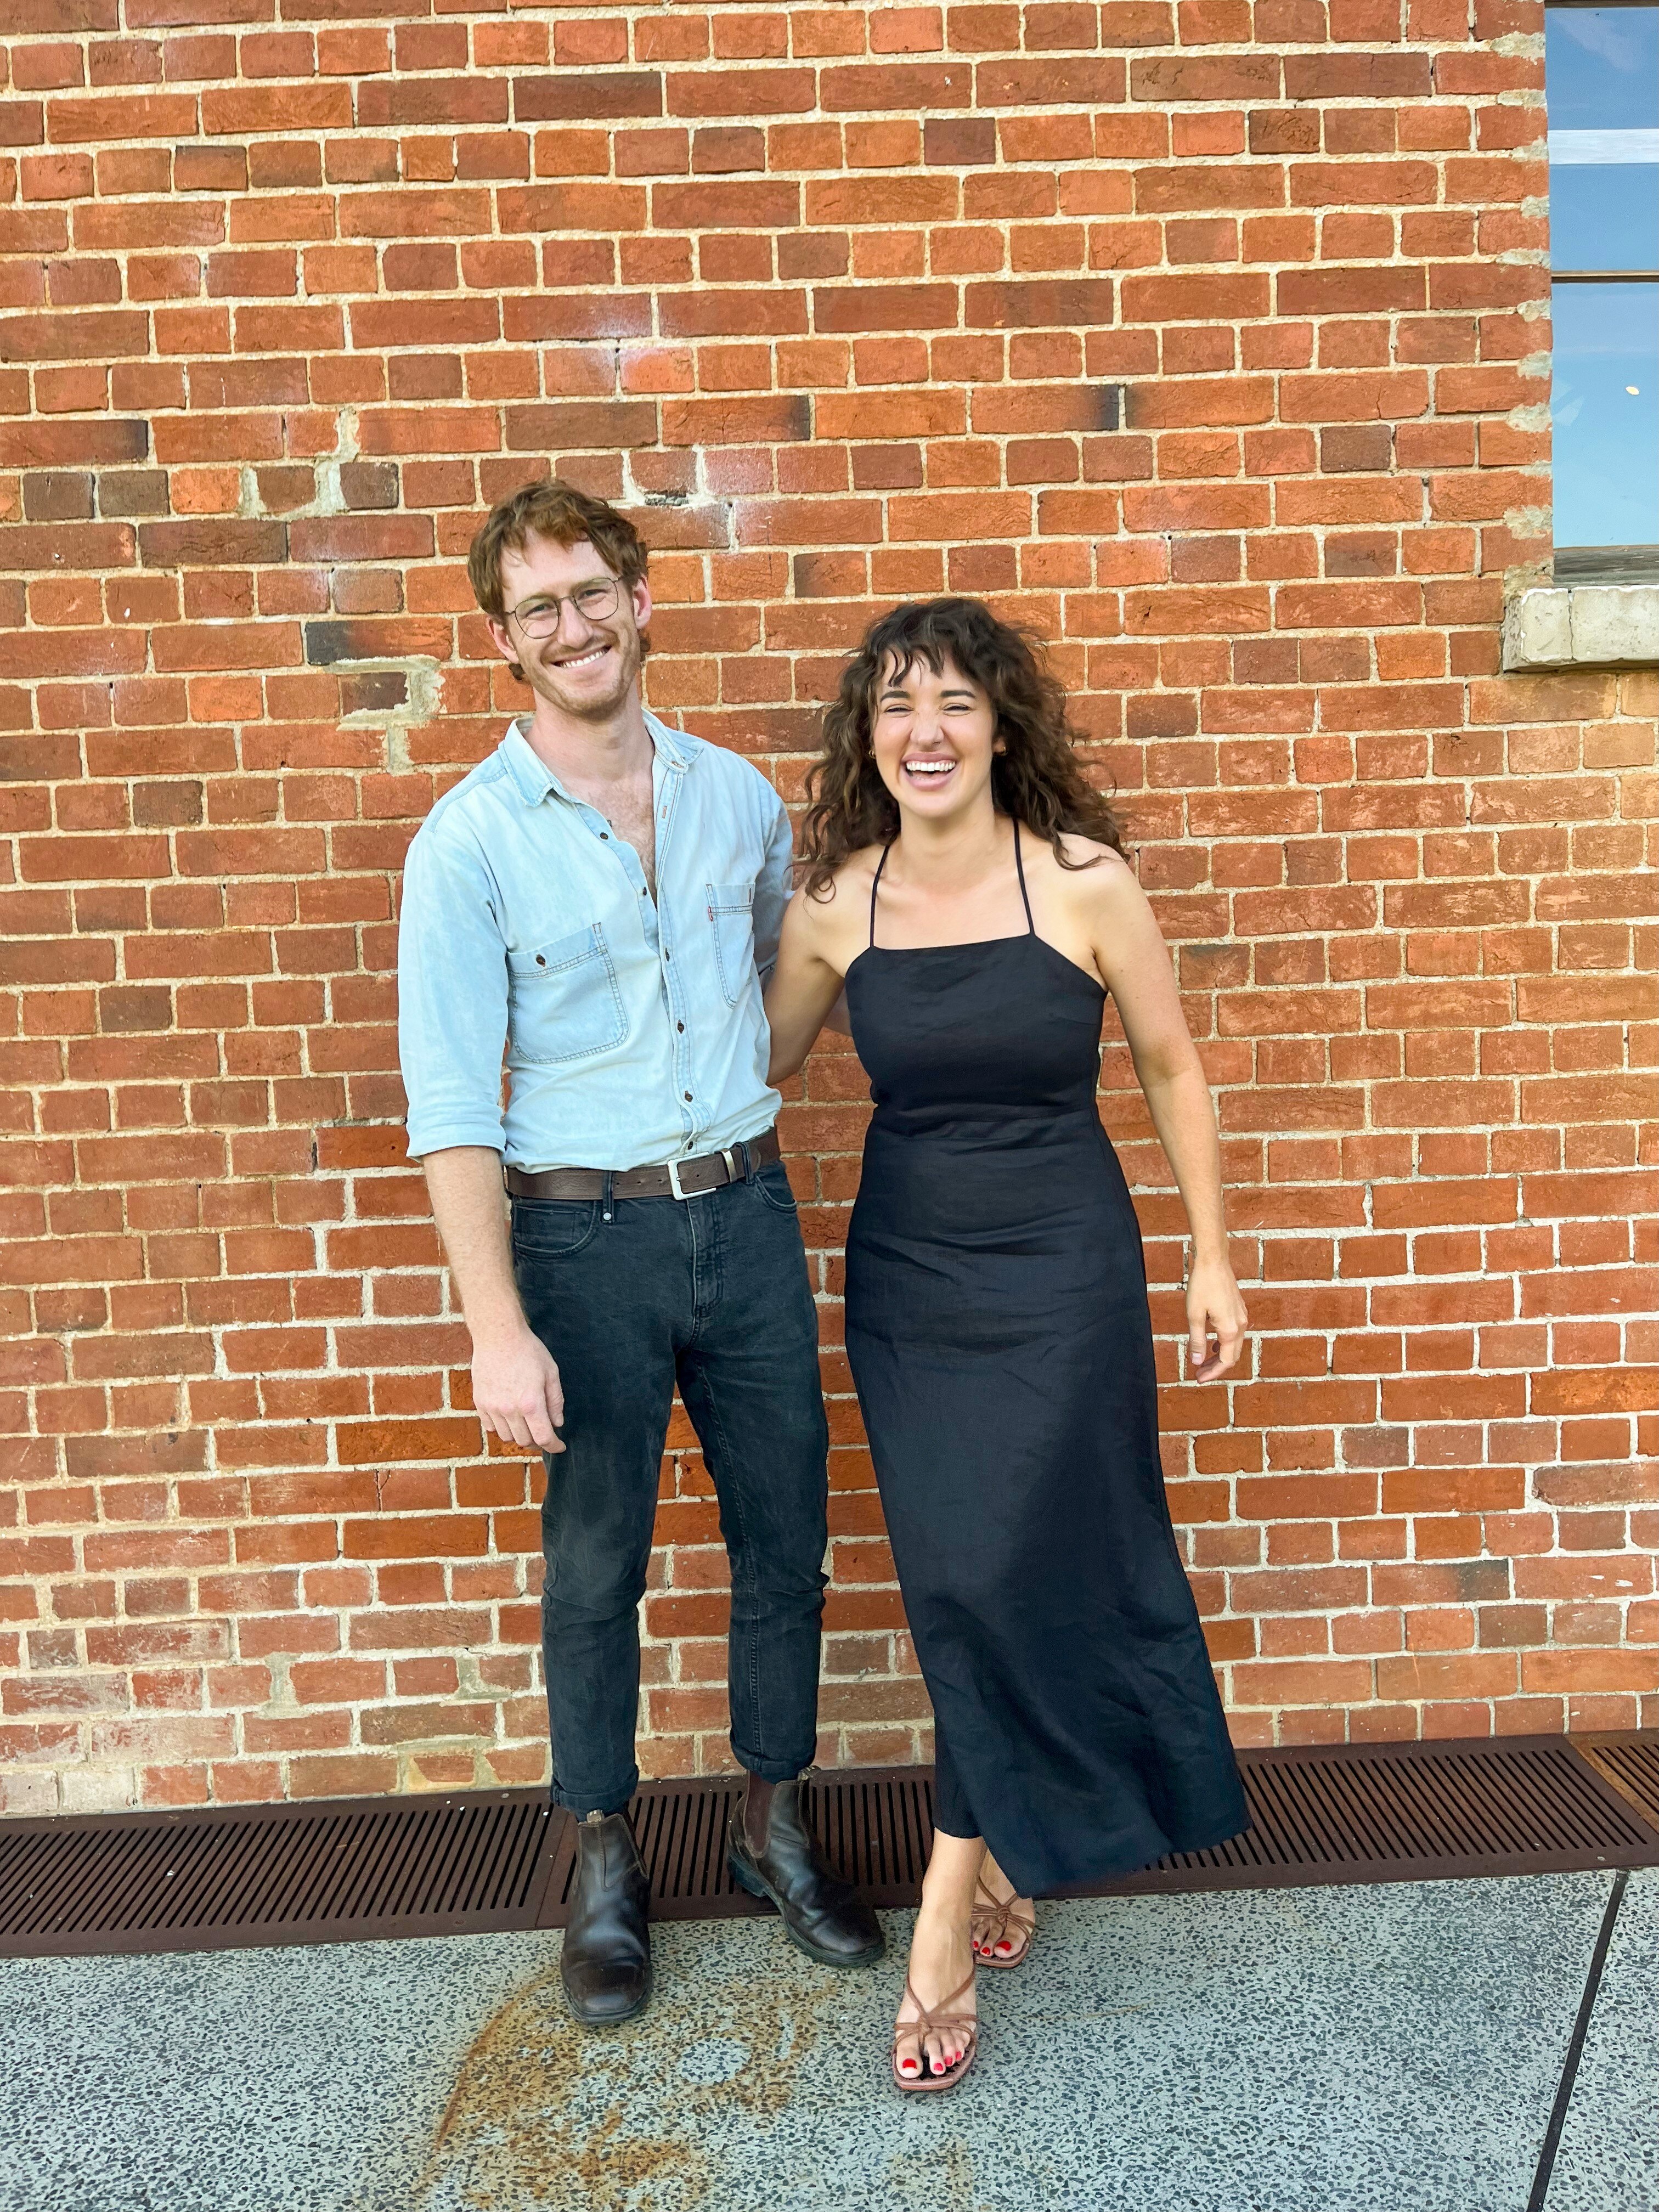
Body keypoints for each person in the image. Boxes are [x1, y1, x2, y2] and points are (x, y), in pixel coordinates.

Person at [396, 478, 883, 2027]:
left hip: (742, 1217)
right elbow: (454, 1106)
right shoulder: (467, 843)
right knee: (595, 1563)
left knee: (784, 1542)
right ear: (504, 642)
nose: (574, 624)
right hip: (578, 1237)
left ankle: (772, 1826)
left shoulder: (739, 799)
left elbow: (774, 1000)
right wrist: (495, 1325)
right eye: (539, 607)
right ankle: (603, 1856)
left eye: (593, 590)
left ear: (641, 599)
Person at [764, 597, 1251, 2094]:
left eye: (957, 704)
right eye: (899, 705)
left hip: (1067, 1274)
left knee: (1018, 1570)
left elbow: (1169, 1063)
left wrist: (1213, 1257)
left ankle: (938, 1911)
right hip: (913, 1283)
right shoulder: (837, 904)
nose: (926, 731)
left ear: (1000, 727)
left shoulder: (1086, 884)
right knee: (958, 1579)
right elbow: (750, 1068)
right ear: (869, 733)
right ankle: (1003, 1861)